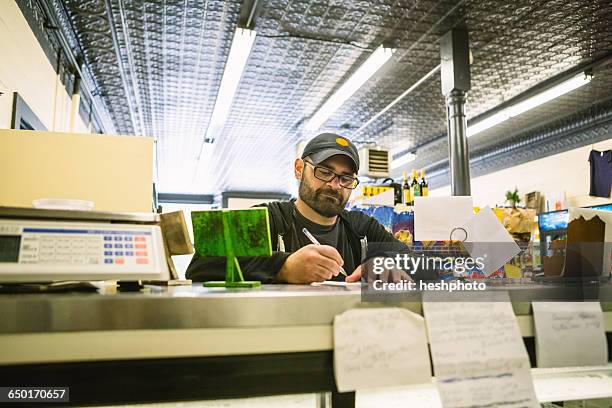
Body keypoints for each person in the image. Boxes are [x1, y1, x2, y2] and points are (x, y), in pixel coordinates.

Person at [186, 133, 419, 284]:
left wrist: (384, 265)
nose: (334, 185)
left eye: (345, 178)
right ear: (299, 169)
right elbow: (201, 265)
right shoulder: (267, 218)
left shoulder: (362, 228)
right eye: (324, 171)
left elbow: (417, 265)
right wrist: (283, 267)